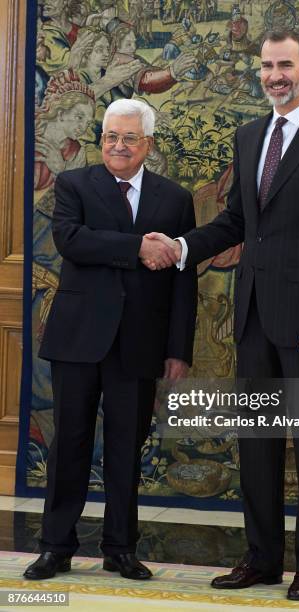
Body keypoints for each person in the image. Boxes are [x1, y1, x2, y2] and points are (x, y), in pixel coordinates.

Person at [143, 28, 299, 600]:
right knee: (258, 443)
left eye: (285, 64)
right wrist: (184, 246)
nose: (275, 75)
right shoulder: (249, 137)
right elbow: (239, 223)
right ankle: (262, 558)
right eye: (267, 65)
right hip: (253, 320)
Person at [24, 98, 197, 581]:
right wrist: (137, 247)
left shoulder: (176, 199)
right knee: (70, 444)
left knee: (126, 447)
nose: (118, 146)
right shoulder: (75, 184)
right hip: (79, 339)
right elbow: (71, 240)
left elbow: (185, 280)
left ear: (149, 144)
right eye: (110, 137)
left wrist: (178, 348)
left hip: (140, 343)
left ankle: (120, 548)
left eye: (129, 138)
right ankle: (55, 546)